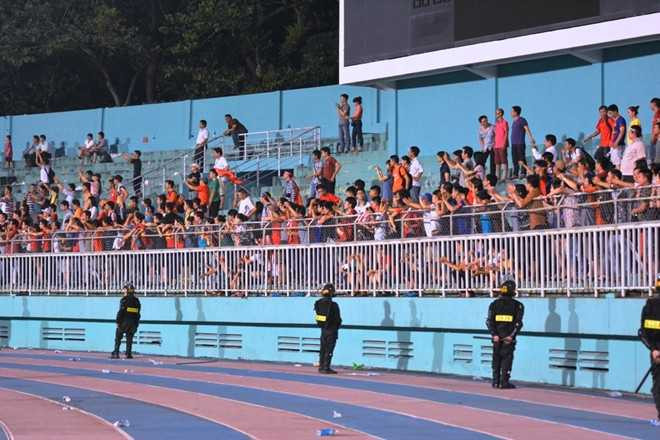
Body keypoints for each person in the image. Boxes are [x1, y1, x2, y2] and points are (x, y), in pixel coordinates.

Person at [487, 280, 524, 389]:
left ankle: (495, 381)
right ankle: (504, 382)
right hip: (508, 339)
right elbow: (518, 323)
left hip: (497, 338)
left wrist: (494, 334)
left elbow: (489, 321)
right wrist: (511, 336)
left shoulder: (494, 304)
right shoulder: (518, 305)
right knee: (507, 359)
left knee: (496, 358)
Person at [639, 276, 660, 426]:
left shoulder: (649, 305)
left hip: (656, 352)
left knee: (658, 385)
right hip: (656, 351)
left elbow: (643, 332)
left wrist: (653, 349)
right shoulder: (650, 306)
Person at [314, 283, 342, 374]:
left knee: (322, 348)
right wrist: (337, 325)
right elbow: (337, 319)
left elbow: (318, 317)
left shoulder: (318, 303)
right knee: (329, 349)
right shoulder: (334, 305)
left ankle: (321, 366)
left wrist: (323, 324)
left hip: (323, 329)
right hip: (332, 329)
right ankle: (326, 367)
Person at [111, 283, 141, 359]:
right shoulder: (137, 301)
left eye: (124, 289)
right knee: (129, 338)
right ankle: (128, 354)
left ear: (127, 291)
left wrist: (117, 321)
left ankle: (116, 353)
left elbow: (121, 311)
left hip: (124, 322)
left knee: (118, 337)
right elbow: (138, 313)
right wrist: (136, 324)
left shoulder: (124, 300)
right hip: (133, 323)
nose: (123, 291)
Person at [510, 106, 535, 179]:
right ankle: (515, 173)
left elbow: (527, 129)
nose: (511, 113)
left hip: (520, 143)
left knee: (521, 158)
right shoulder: (514, 121)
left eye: (512, 111)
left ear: (516, 112)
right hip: (513, 143)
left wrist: (531, 138)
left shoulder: (522, 120)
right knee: (515, 159)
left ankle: (523, 172)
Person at [494, 108, 509, 181]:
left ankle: (504, 176)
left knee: (504, 160)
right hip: (496, 145)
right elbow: (495, 134)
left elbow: (506, 133)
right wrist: (494, 144)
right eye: (496, 113)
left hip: (502, 144)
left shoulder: (505, 122)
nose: (497, 114)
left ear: (501, 113)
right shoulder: (496, 123)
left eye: (498, 113)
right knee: (497, 162)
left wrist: (504, 143)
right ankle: (497, 177)